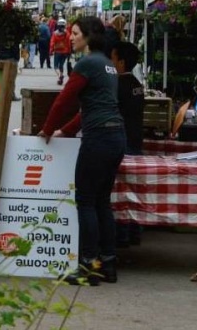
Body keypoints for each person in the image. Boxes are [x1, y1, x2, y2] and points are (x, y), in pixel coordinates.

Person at [38, 16, 125, 286]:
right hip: (115, 137)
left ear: (88, 36)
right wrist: (67, 130)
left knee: (86, 202)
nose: (70, 37)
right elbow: (91, 107)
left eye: (75, 33)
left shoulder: (87, 64)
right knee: (102, 202)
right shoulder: (108, 65)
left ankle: (88, 266)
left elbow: (64, 100)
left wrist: (48, 128)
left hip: (98, 139)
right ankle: (107, 264)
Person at [110, 40, 145, 248]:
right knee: (133, 189)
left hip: (122, 142)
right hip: (134, 139)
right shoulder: (136, 85)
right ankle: (134, 231)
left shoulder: (118, 85)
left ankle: (122, 234)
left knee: (120, 191)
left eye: (112, 58)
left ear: (121, 62)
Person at [50, 18, 71, 85]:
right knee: (61, 65)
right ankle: (60, 77)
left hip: (57, 51)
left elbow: (52, 43)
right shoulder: (67, 34)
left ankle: (60, 76)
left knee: (56, 66)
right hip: (65, 52)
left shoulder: (55, 33)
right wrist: (69, 51)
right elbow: (69, 43)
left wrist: (51, 50)